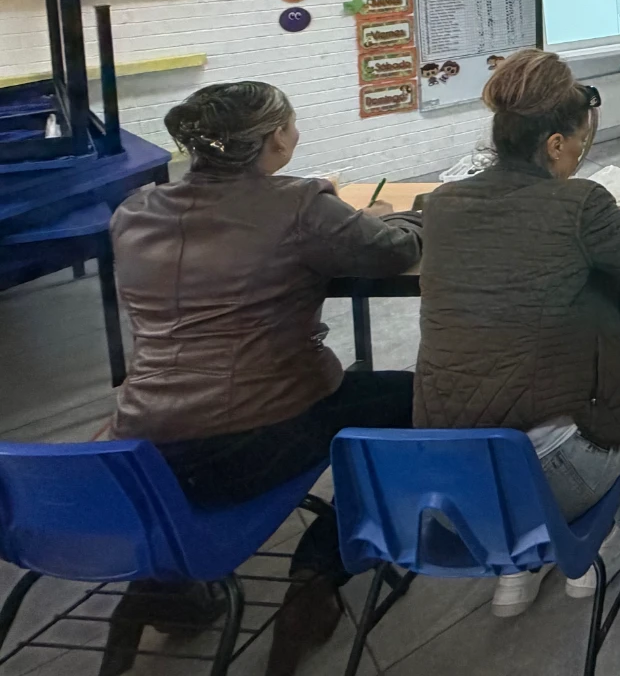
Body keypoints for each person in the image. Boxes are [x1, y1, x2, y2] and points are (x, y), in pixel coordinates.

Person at [106, 82, 424, 676]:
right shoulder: (299, 206)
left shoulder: (134, 211)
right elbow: (388, 252)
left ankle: (164, 589)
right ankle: (317, 573)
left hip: (142, 446)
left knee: (360, 399)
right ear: (277, 137)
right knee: (418, 401)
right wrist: (396, 220)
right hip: (259, 434)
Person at [413, 50, 620, 618]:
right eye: (577, 143)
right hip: (557, 473)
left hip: (449, 481)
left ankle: (517, 564)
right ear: (552, 144)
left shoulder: (441, 205)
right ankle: (608, 533)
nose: (578, 155)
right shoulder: (579, 203)